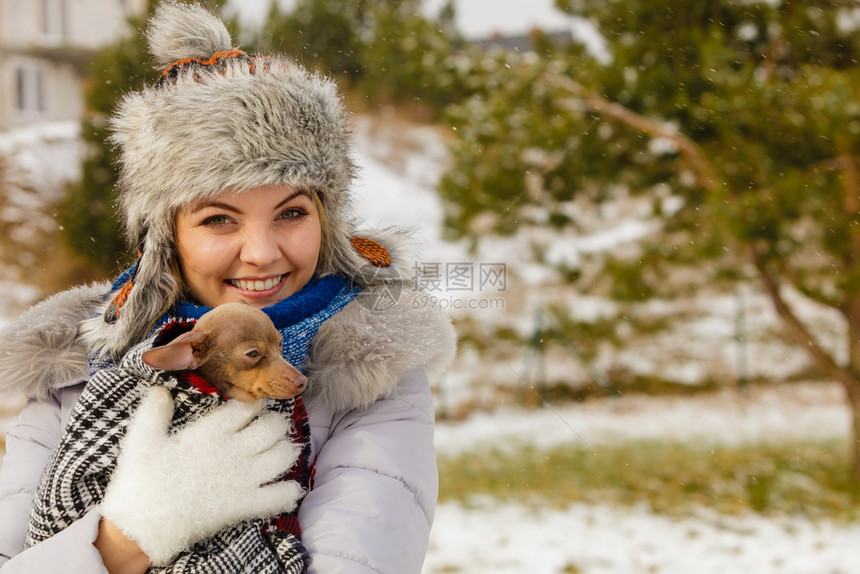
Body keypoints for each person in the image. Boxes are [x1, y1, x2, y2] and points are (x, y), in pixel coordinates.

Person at [0, 2, 456, 573]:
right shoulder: (77, 371)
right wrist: (122, 544)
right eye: (219, 219)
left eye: (291, 213)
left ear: (327, 220)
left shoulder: (368, 372)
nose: (262, 252)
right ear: (166, 237)